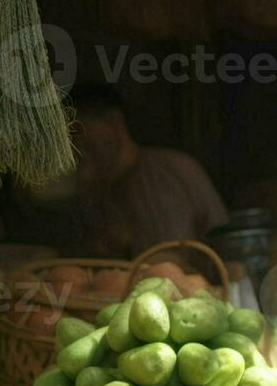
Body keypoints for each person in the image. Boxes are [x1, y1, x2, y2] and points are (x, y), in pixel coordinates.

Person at [67, 84, 228, 257]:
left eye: (77, 131)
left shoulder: (169, 171)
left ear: (113, 123)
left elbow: (181, 256)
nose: (73, 143)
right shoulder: (92, 191)